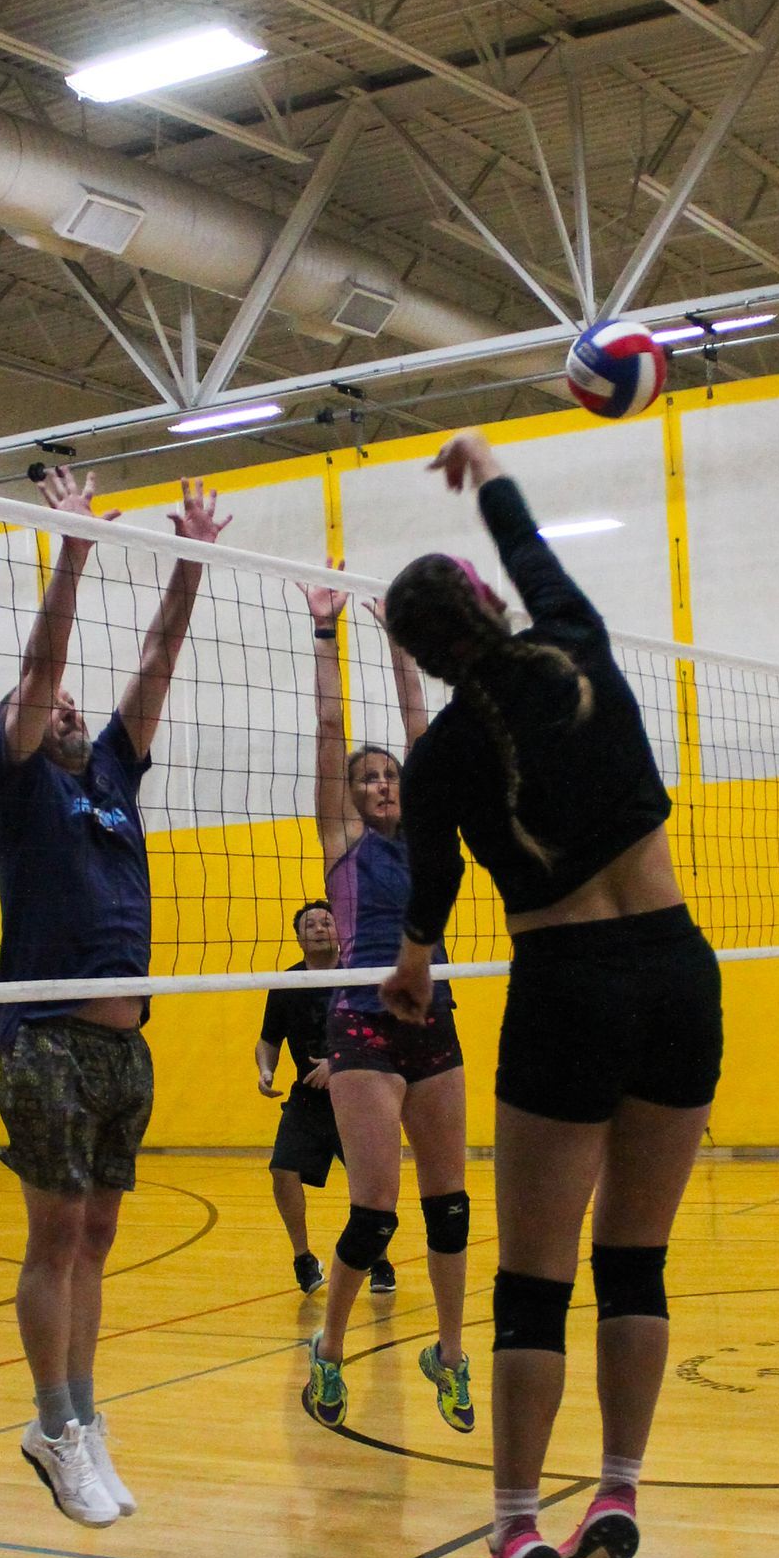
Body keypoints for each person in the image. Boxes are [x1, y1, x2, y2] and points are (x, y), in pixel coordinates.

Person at [379, 431, 722, 1558]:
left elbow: (426, 902)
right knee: (638, 1262)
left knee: (535, 1282)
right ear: (488, 602)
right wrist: (489, 474)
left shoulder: (438, 759)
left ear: (416, 656)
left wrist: (413, 967)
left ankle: (519, 1527)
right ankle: (618, 1489)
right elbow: (532, 554)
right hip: (681, 974)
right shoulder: (578, 647)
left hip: (567, 987)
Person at [0, 465, 226, 1529]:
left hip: (128, 1045)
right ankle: (52, 1421)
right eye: (47, 710)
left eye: (76, 709)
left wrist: (189, 561)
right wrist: (71, 553)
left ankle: (80, 1418)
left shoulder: (113, 780)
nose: (69, 709)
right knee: (55, 1237)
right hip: (46, 1036)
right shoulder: (19, 782)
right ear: (23, 728)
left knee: (95, 1241)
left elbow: (159, 660)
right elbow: (45, 665)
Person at [297, 574, 472, 1439]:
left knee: (452, 1204)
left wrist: (402, 647)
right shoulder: (342, 843)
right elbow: (331, 734)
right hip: (361, 1024)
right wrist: (327, 635)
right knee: (376, 1211)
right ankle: (328, 1347)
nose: (378, 784)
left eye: (386, 777)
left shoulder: (431, 828)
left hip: (434, 1018)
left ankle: (449, 1350)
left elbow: (422, 733)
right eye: (366, 780)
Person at [257, 898, 345, 1293]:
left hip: (357, 1094)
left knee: (371, 1183)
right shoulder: (287, 983)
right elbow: (267, 1040)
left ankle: (378, 1260)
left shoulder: (359, 976)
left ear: (341, 932)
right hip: (307, 1098)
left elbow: (383, 1034)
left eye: (327, 921)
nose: (320, 927)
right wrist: (265, 1069)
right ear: (298, 937)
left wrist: (337, 1063)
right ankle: (303, 1259)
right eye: (310, 924)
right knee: (281, 1171)